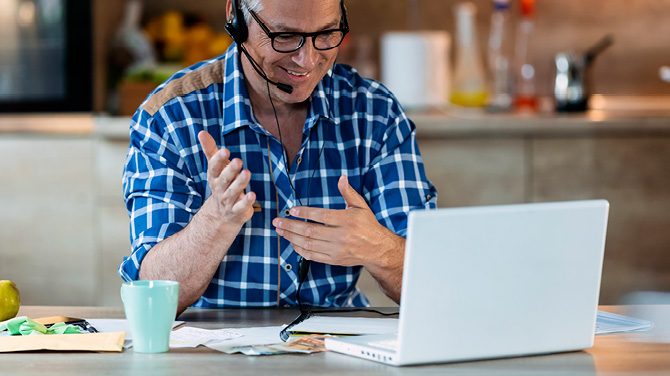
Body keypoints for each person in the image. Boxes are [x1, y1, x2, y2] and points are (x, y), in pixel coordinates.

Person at [118, 0, 437, 316]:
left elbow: (436, 285)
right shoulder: (169, 117)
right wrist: (216, 219)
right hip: (214, 355)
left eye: (326, 33)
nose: (307, 59)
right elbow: (152, 295)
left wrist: (379, 248)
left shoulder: (375, 112)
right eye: (284, 36)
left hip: (338, 350)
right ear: (235, 17)